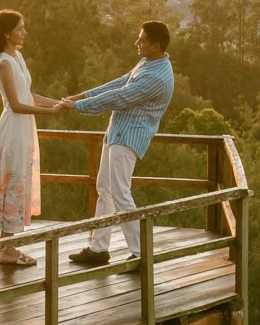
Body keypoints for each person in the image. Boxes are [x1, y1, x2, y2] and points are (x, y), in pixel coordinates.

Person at [58, 20, 174, 267]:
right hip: (117, 133)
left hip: (129, 138)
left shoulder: (158, 78)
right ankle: (99, 248)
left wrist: (79, 106)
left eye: (142, 40)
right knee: (105, 189)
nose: (137, 43)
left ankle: (141, 253)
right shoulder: (149, 62)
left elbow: (121, 97)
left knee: (121, 194)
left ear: (156, 45)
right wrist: (81, 96)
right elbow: (120, 82)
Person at [0, 9, 65, 267]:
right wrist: (49, 112)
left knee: (16, 181)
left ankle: (6, 246)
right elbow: (15, 104)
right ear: (7, 33)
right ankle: (8, 249)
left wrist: (58, 103)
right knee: (12, 182)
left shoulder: (17, 57)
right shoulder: (3, 61)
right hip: (14, 128)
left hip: (24, 127)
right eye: (20, 29)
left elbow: (28, 93)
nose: (24, 32)